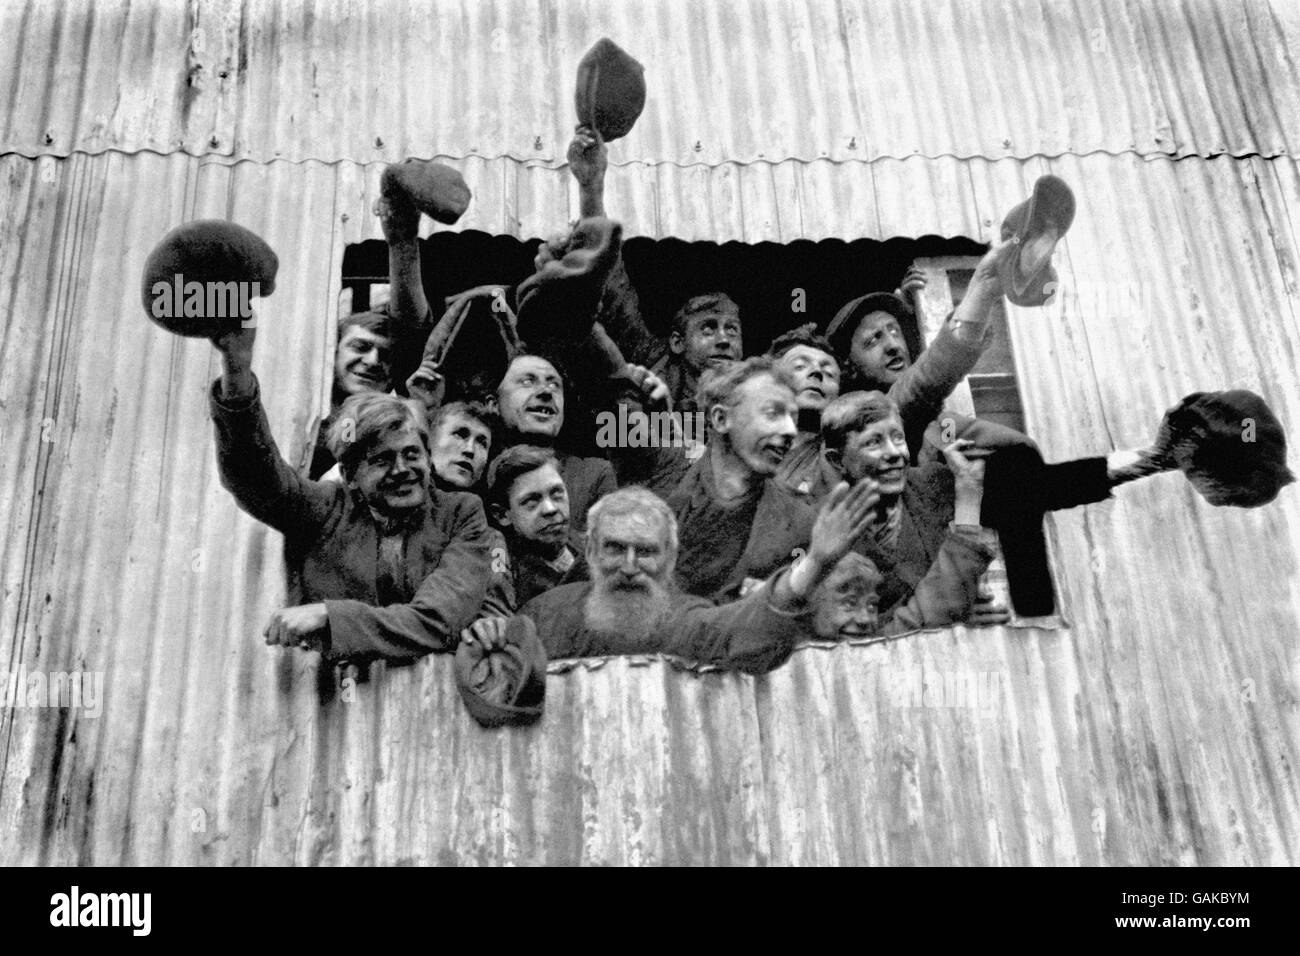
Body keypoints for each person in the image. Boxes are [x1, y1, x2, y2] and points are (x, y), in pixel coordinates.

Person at [208, 323, 491, 661]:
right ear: (350, 475)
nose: (402, 469)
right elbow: (256, 478)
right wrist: (236, 371)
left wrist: (329, 616)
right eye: (383, 460)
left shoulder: (460, 513)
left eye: (412, 453)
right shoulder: (329, 507)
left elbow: (439, 621)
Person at [819, 389, 1194, 620]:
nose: (893, 455)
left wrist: (1150, 460)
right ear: (838, 461)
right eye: (873, 443)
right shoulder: (826, 534)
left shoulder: (931, 485)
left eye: (897, 439)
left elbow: (1042, 487)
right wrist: (957, 610)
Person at [463, 480, 881, 673]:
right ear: (589, 551)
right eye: (614, 549)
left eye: (645, 551)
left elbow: (748, 634)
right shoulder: (544, 616)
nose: (629, 566)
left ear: (669, 558)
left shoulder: (687, 618)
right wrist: (489, 640)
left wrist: (814, 565)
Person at [308, 190, 437, 478]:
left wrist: (402, 241)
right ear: (334, 351)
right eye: (360, 346)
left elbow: (411, 320)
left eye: (386, 355)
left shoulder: (402, 421)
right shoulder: (304, 408)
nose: (373, 360)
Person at [665, 356, 816, 599]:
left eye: (793, 418)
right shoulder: (666, 485)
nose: (791, 431)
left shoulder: (801, 523)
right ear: (721, 419)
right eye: (773, 413)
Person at [486, 445, 588, 606]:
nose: (551, 509)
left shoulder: (592, 547)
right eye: (531, 501)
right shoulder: (499, 557)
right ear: (503, 515)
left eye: (556, 493)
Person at [768, 324, 845, 500]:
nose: (817, 372)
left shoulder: (840, 457)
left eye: (829, 373)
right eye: (800, 366)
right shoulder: (732, 440)